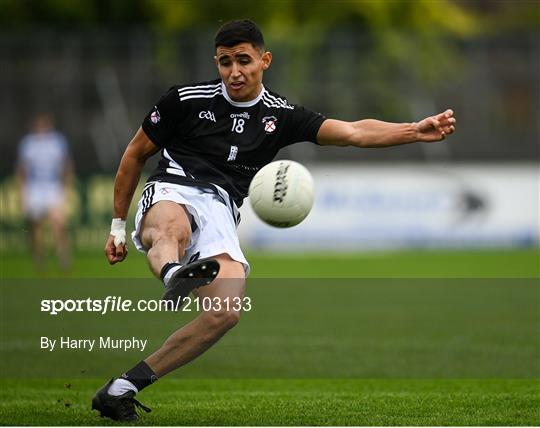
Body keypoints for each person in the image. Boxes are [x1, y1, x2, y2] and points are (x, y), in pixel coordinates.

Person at [93, 19, 456, 421]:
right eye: (225, 62)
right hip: (172, 188)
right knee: (172, 229)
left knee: (225, 312)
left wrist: (413, 130)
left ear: (265, 60)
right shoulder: (184, 101)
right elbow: (134, 154)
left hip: (222, 209)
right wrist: (116, 226)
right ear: (216, 63)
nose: (234, 71)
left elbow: (353, 131)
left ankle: (123, 387)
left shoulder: (281, 115)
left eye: (244, 61)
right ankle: (174, 274)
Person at [16, 113, 73, 272]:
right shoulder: (28, 143)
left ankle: (63, 258)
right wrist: (22, 192)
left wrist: (66, 186)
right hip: (34, 187)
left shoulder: (57, 141)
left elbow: (66, 165)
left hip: (53, 186)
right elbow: (22, 170)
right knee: (36, 225)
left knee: (59, 224)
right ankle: (39, 257)